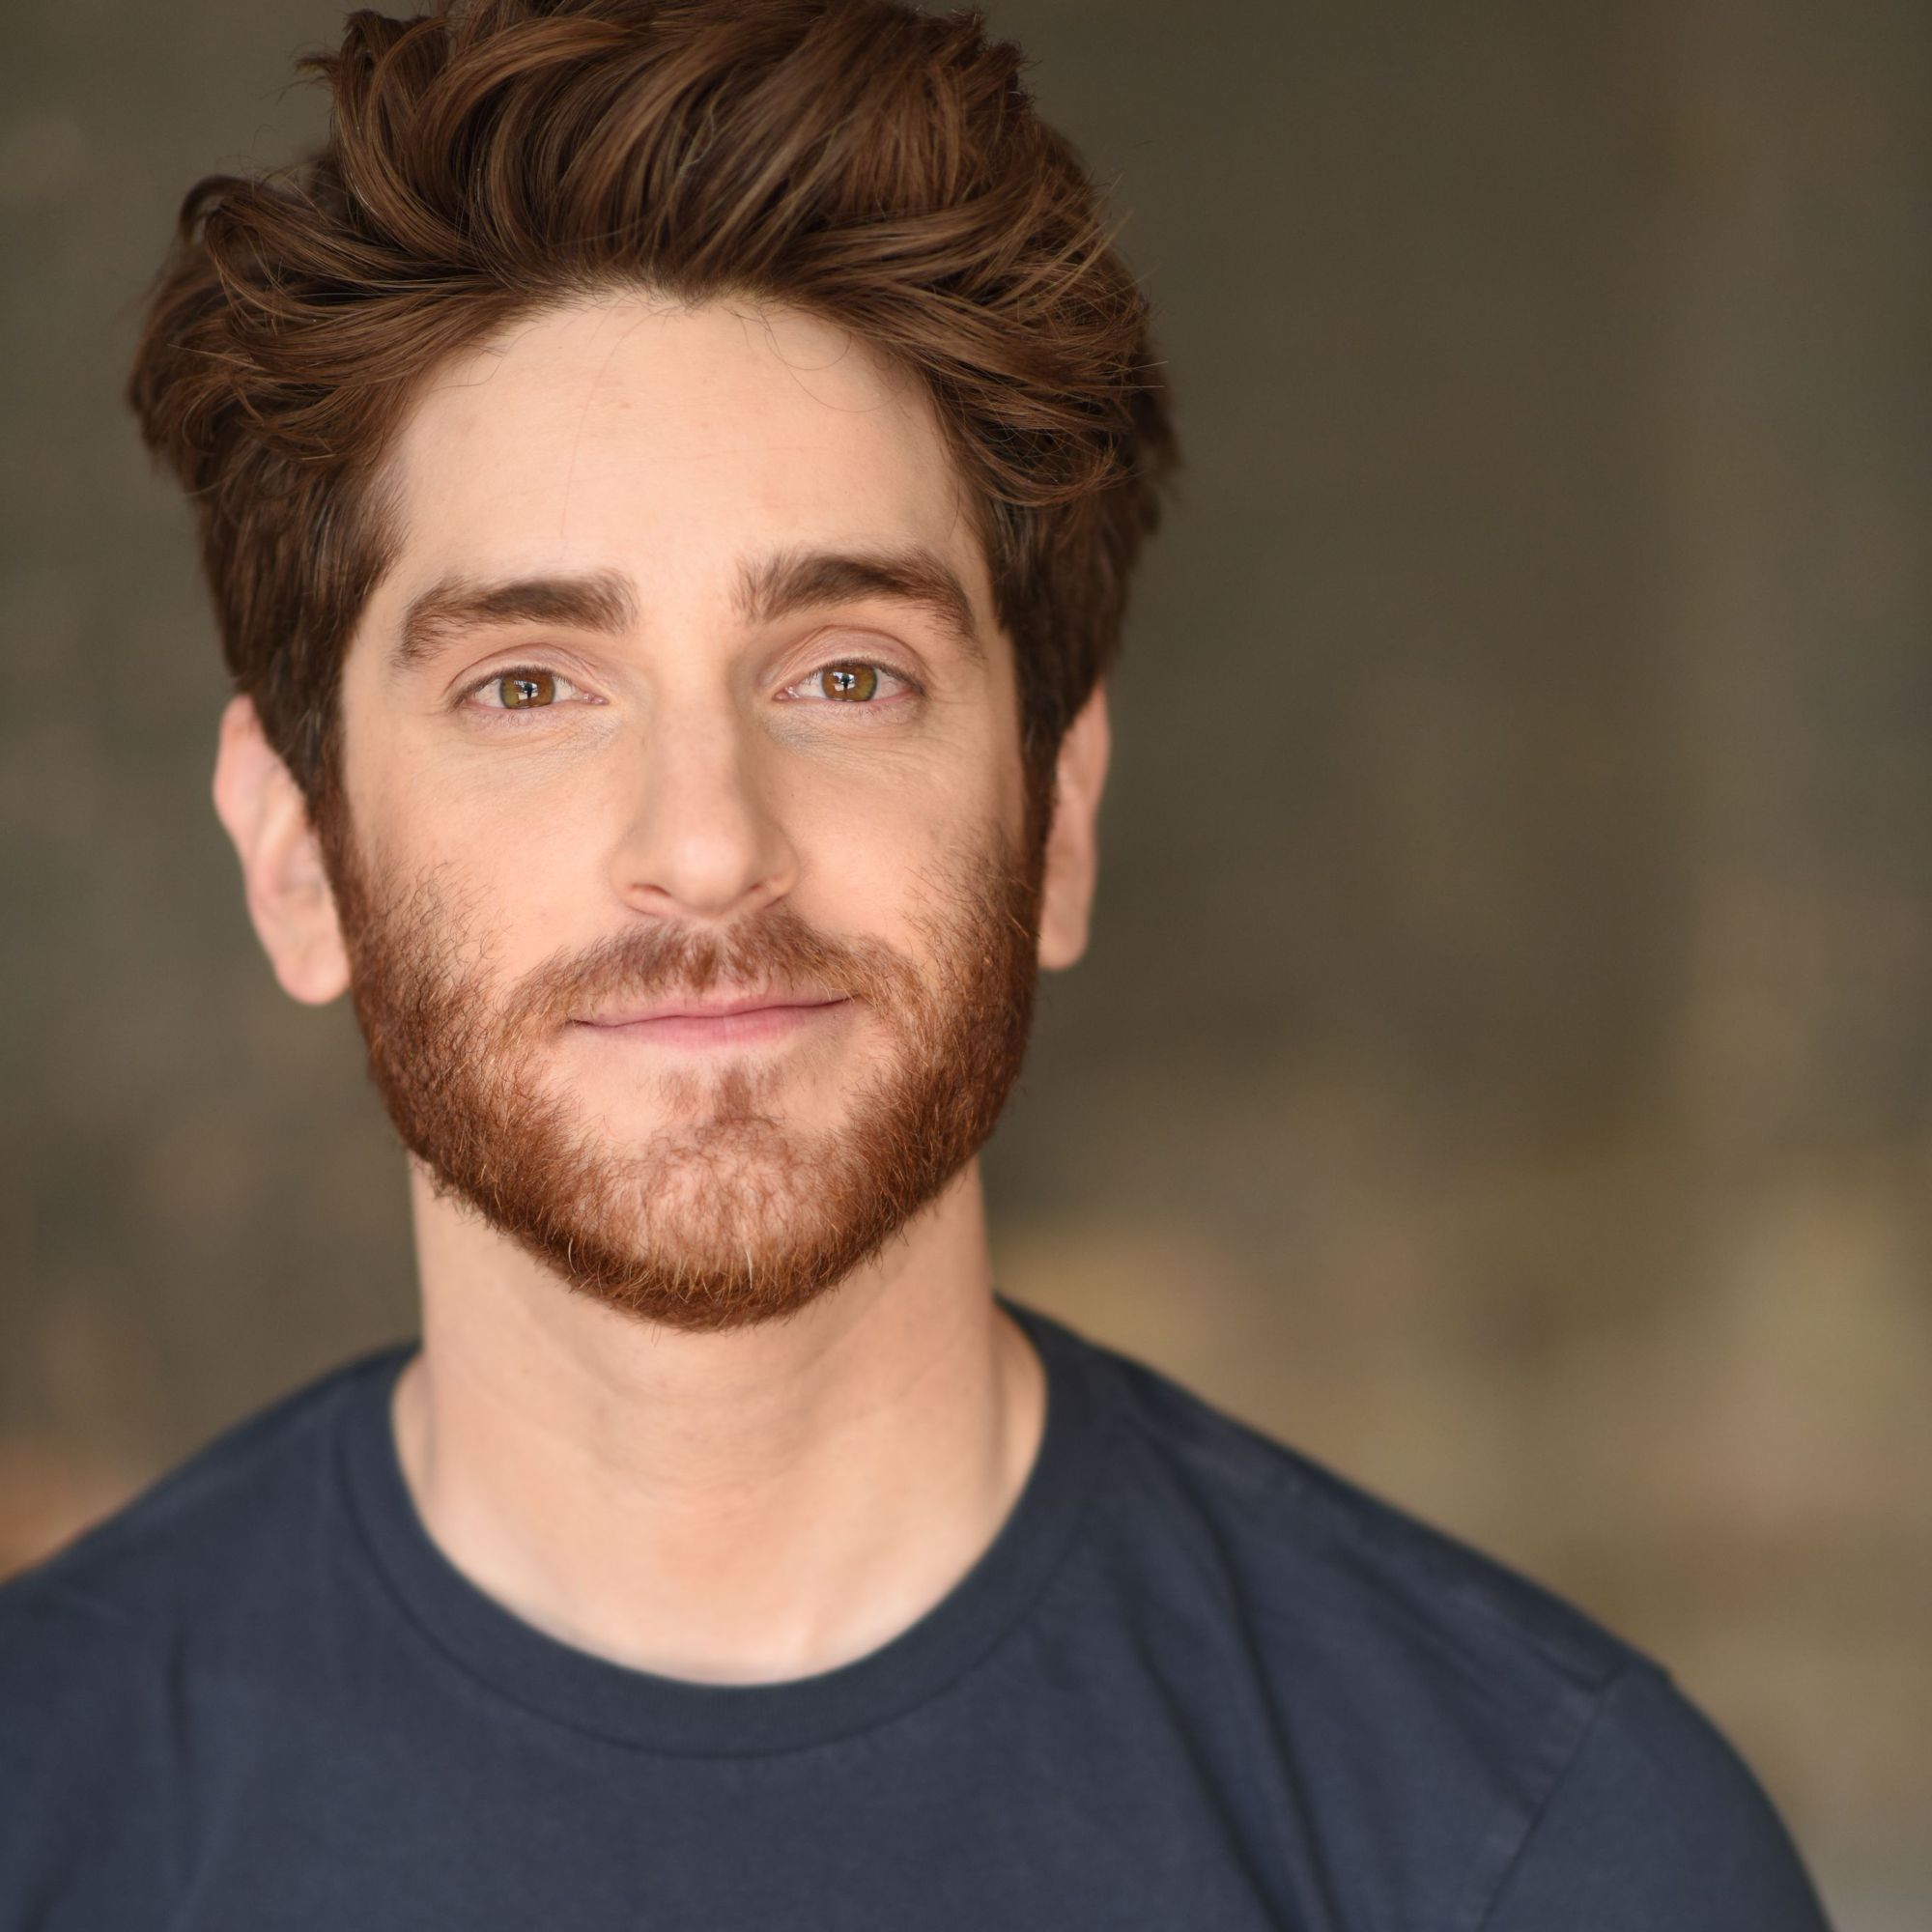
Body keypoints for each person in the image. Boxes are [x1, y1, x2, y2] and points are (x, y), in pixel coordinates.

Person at [0, 3, 1834, 1926]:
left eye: (846, 675)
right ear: (295, 851)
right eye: (528, 686)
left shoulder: (1539, 1849)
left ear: (1059, 814)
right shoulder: (46, 1803)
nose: (705, 839)